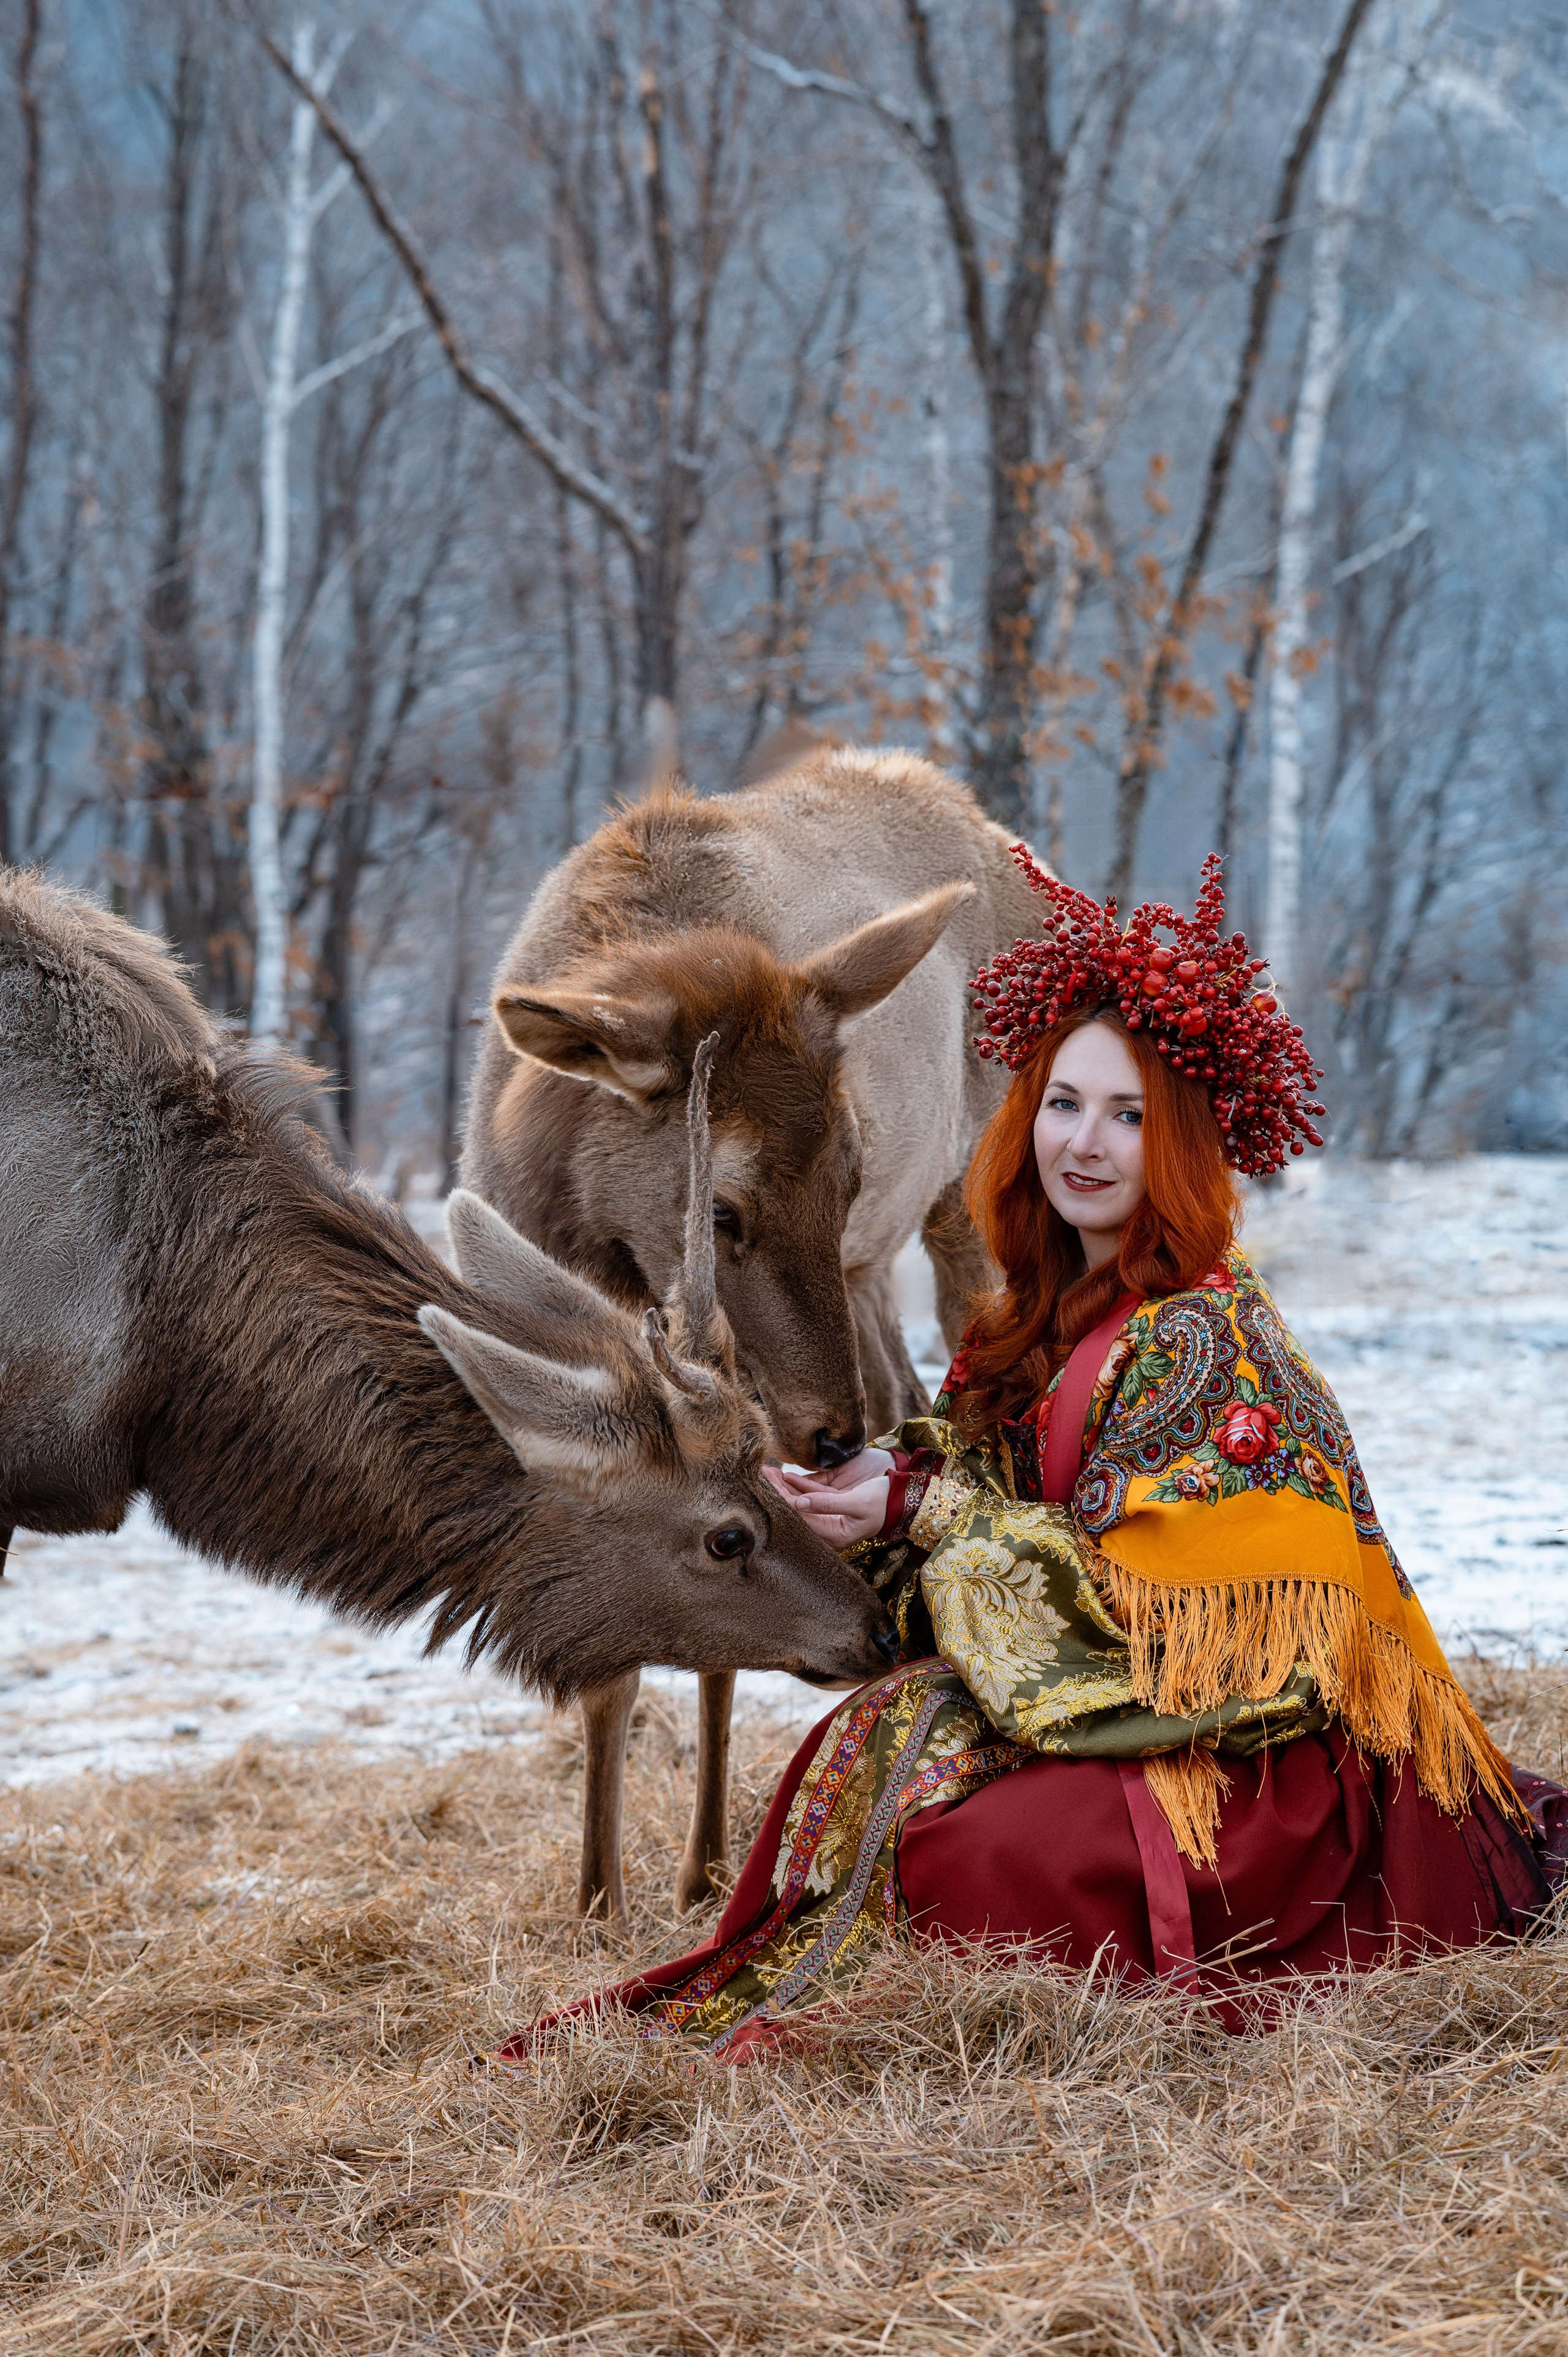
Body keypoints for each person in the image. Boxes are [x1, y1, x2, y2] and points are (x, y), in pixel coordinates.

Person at [490, 854, 1564, 2067]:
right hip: (1121, 1718)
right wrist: (859, 1509)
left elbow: (1195, 1650)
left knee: (970, 1849)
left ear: (1181, 1139)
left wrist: (928, 1509)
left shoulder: (1208, 1337)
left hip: (1259, 1765)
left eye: (1128, 1116)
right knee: (884, 1759)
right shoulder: (1034, 1318)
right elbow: (977, 1515)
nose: (1084, 1144)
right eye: (1061, 1104)